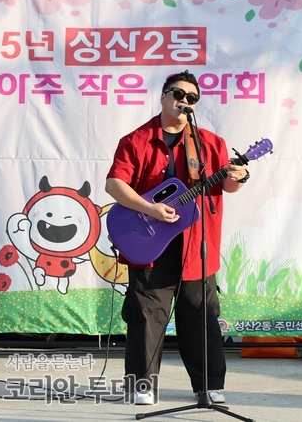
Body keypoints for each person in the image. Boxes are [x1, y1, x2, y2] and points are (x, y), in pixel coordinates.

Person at [105, 70, 248, 406]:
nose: (185, 101)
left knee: (201, 318)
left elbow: (227, 185)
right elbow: (114, 184)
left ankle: (208, 386)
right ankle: (142, 386)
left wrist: (241, 175)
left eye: (192, 98)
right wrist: (149, 208)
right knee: (146, 318)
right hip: (152, 247)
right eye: (178, 94)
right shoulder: (136, 140)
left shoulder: (210, 143)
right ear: (163, 96)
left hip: (197, 247)